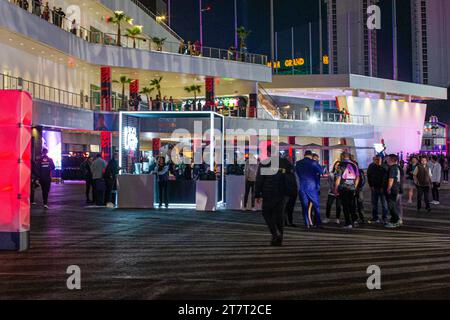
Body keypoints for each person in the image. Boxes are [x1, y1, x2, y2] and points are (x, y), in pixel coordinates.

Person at [255, 147, 286, 246]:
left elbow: (259, 180)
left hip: (268, 193)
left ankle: (275, 233)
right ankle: (279, 236)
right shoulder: (283, 163)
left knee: (267, 213)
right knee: (279, 216)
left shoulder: (264, 163)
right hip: (281, 193)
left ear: (268, 152)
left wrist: (257, 194)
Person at [295, 150, 323, 229]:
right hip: (312, 187)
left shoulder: (298, 163)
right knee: (316, 205)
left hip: (302, 187)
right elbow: (321, 171)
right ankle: (318, 224)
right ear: (311, 155)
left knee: (304, 206)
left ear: (304, 155)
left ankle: (307, 224)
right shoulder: (313, 162)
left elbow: (296, 173)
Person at [334, 152, 360, 229]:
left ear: (342, 157)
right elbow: (357, 177)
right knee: (352, 205)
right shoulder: (354, 165)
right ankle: (354, 221)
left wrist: (335, 189)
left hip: (343, 187)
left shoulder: (340, 165)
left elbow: (338, 178)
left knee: (345, 206)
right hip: (351, 187)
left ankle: (348, 223)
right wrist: (354, 186)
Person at [367, 156, 388, 224]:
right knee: (374, 204)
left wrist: (384, 187)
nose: (378, 161)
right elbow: (369, 176)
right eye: (376, 159)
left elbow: (387, 178)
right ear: (373, 160)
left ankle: (384, 218)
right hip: (374, 188)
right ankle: (375, 217)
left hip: (383, 188)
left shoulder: (385, 167)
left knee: (384, 204)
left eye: (379, 159)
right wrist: (371, 185)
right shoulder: (371, 166)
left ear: (381, 160)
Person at [384, 154, 402, 228]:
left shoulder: (392, 168)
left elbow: (391, 179)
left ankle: (396, 220)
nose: (387, 160)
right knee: (392, 205)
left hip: (392, 189)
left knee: (391, 206)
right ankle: (393, 219)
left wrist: (388, 188)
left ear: (391, 160)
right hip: (396, 188)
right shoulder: (397, 167)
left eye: (388, 159)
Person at [281, 156, 298, 227]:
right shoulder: (283, 169)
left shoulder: (293, 168)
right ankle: (284, 222)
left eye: (291, 159)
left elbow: (296, 179)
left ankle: (290, 221)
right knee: (285, 208)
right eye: (289, 159)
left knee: (290, 208)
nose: (290, 161)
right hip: (286, 191)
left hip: (293, 190)